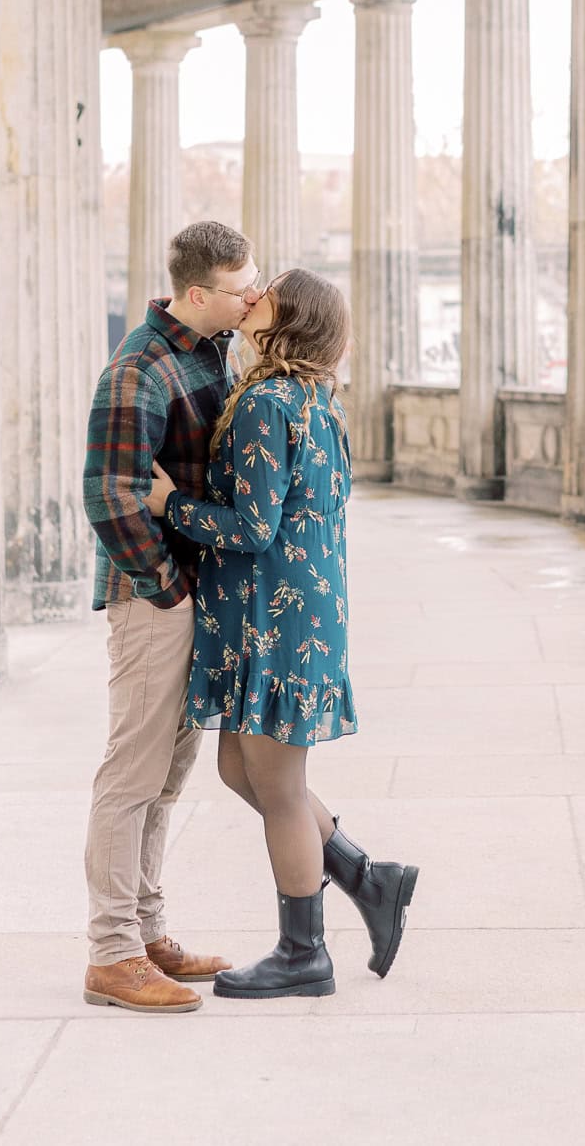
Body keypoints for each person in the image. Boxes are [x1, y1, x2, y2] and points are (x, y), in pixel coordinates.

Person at [146, 267, 418, 1000]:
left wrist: (173, 503)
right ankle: (367, 876)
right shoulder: (313, 397)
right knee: (244, 771)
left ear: (286, 318)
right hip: (295, 612)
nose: (250, 296)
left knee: (279, 786)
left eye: (262, 292)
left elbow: (254, 527)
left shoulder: (267, 402)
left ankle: (304, 951)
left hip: (276, 619)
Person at [81, 220, 260, 1014]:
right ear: (196, 294)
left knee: (167, 777)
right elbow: (108, 494)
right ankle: (111, 952)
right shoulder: (138, 370)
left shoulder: (209, 346)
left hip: (193, 590)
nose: (252, 294)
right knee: (131, 775)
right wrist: (165, 588)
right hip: (155, 597)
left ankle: (149, 933)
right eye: (239, 287)